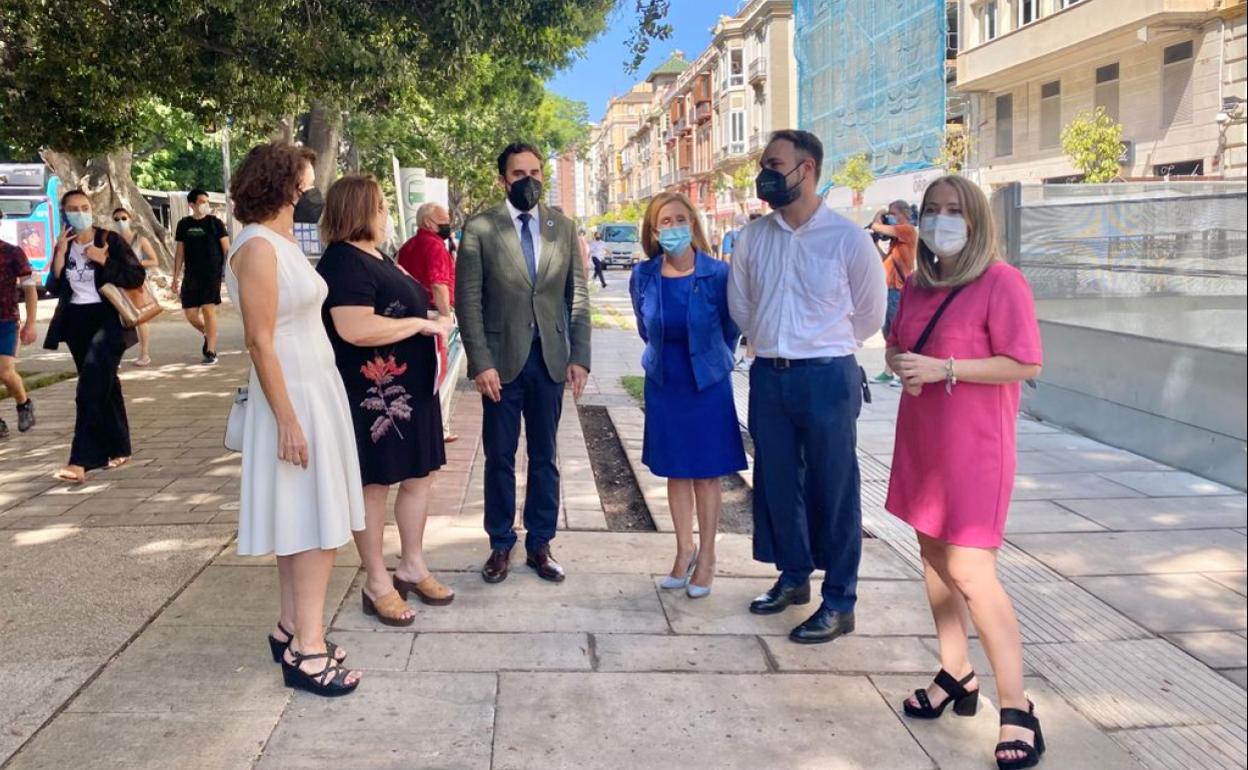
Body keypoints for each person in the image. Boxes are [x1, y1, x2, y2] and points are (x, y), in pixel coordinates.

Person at [885, 176, 1045, 770]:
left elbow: (1024, 361)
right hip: (923, 444)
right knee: (933, 561)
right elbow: (899, 345)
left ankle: (1017, 705)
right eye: (932, 210)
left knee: (974, 572)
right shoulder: (919, 285)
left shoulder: (1003, 282)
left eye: (954, 211)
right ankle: (957, 670)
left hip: (976, 450)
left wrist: (946, 366)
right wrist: (901, 361)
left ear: (976, 221)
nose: (941, 220)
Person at [727, 129, 886, 645]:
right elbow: (742, 307)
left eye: (774, 163)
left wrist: (819, 343)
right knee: (776, 483)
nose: (765, 174)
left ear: (807, 169)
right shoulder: (753, 238)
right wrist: (775, 341)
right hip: (770, 376)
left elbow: (868, 316)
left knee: (834, 488)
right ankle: (794, 577)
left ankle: (840, 601)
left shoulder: (848, 239)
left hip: (828, 377)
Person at [223, 142, 364, 697]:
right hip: (294, 395)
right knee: (314, 524)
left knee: (301, 517)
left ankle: (290, 629)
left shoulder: (277, 242)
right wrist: (286, 419)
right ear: (283, 184)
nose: (311, 192)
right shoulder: (258, 246)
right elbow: (260, 341)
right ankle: (308, 648)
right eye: (305, 181)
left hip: (313, 388)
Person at [317, 175, 456, 627]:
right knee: (374, 485)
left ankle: (412, 565)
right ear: (361, 209)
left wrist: (428, 318)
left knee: (420, 474)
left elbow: (398, 310)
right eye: (379, 205)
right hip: (374, 395)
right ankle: (377, 581)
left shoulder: (379, 256)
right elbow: (355, 328)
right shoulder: (342, 263)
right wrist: (419, 326)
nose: (385, 213)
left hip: (411, 392)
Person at [456, 141, 591, 585]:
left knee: (545, 456)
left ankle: (540, 543)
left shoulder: (562, 226)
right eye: (519, 174)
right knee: (499, 455)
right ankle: (500, 544)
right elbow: (468, 302)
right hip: (501, 363)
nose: (529, 181)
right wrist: (480, 362)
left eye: (536, 172)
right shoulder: (480, 229)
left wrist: (580, 356)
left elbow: (578, 297)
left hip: (550, 360)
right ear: (503, 180)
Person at [630, 192, 746, 599]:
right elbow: (646, 327)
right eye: (665, 221)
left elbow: (732, 329)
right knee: (675, 471)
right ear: (654, 229)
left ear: (693, 224)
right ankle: (684, 551)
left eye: (681, 219)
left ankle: (709, 556)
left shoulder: (716, 274)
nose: (674, 227)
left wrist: (713, 360)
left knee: (706, 474)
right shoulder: (643, 275)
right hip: (665, 382)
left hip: (707, 384)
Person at [44, 190, 147, 482]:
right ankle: (119, 448)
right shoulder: (63, 244)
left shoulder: (108, 240)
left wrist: (104, 261)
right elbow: (53, 286)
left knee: (88, 389)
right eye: (73, 209)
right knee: (105, 385)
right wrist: (61, 256)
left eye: (84, 207)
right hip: (76, 322)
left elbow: (136, 276)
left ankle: (81, 460)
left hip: (108, 321)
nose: (79, 213)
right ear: (64, 213)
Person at [397, 201, 459, 443]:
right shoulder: (435, 247)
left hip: (411, 316)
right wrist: (446, 316)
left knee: (420, 372)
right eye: (443, 221)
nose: (447, 225)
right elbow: (438, 284)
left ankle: (425, 424)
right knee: (441, 372)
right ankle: (438, 426)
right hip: (434, 314)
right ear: (428, 223)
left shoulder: (407, 246)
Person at [173, 188, 230, 365]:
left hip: (211, 274)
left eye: (207, 201)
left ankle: (211, 350)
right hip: (191, 274)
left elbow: (227, 249)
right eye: (202, 202)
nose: (205, 205)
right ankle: (209, 333)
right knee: (190, 313)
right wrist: (174, 277)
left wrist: (230, 271)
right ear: (192, 205)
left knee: (208, 309)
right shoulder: (184, 224)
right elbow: (180, 252)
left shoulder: (215, 223)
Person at [870, 199, 918, 384]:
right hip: (889, 288)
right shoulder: (896, 242)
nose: (890, 218)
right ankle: (888, 371)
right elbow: (885, 260)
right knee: (889, 334)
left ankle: (904, 372)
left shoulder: (907, 230)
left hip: (898, 290)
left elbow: (876, 226)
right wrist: (874, 244)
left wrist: (880, 213)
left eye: (892, 214)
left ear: (903, 214)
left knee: (900, 333)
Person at [0, 212, 37, 437]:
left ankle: (23, 403)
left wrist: (31, 322)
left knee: (4, 371)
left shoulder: (12, 253)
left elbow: (30, 289)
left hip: (6, 320)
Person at [112, 207, 160, 366]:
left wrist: (136, 263)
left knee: (141, 319)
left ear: (130, 219)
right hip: (117, 284)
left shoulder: (140, 239)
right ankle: (116, 355)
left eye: (124, 218)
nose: (121, 222)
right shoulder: (111, 240)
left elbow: (154, 260)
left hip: (136, 282)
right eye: (117, 219)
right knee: (117, 321)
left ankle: (145, 354)